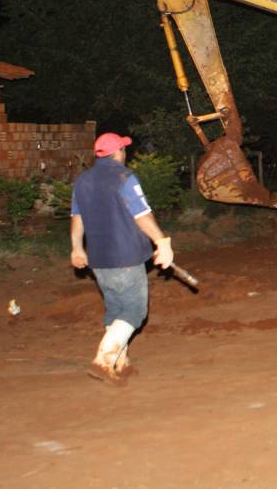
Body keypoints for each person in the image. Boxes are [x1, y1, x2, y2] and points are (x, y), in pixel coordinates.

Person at [70, 132, 174, 384]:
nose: (125, 153)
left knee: (116, 309)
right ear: (118, 153)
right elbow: (142, 215)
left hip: (98, 258)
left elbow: (77, 218)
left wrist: (77, 249)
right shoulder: (124, 177)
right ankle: (104, 359)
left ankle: (121, 361)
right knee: (135, 311)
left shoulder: (82, 181)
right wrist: (161, 241)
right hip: (125, 256)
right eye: (124, 149)